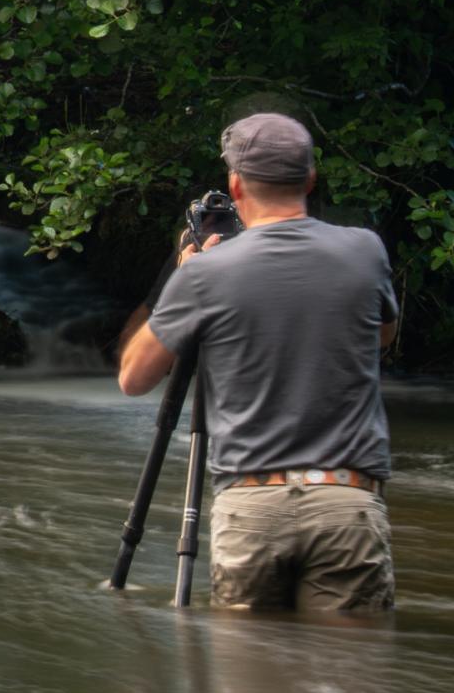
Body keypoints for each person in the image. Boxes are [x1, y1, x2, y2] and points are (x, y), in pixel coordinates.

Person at [116, 112, 401, 611]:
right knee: (351, 681)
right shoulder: (365, 251)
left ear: (235, 184)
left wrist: (186, 279)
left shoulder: (206, 273)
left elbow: (134, 379)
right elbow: (381, 335)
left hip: (252, 506)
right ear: (310, 178)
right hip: (347, 501)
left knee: (252, 683)